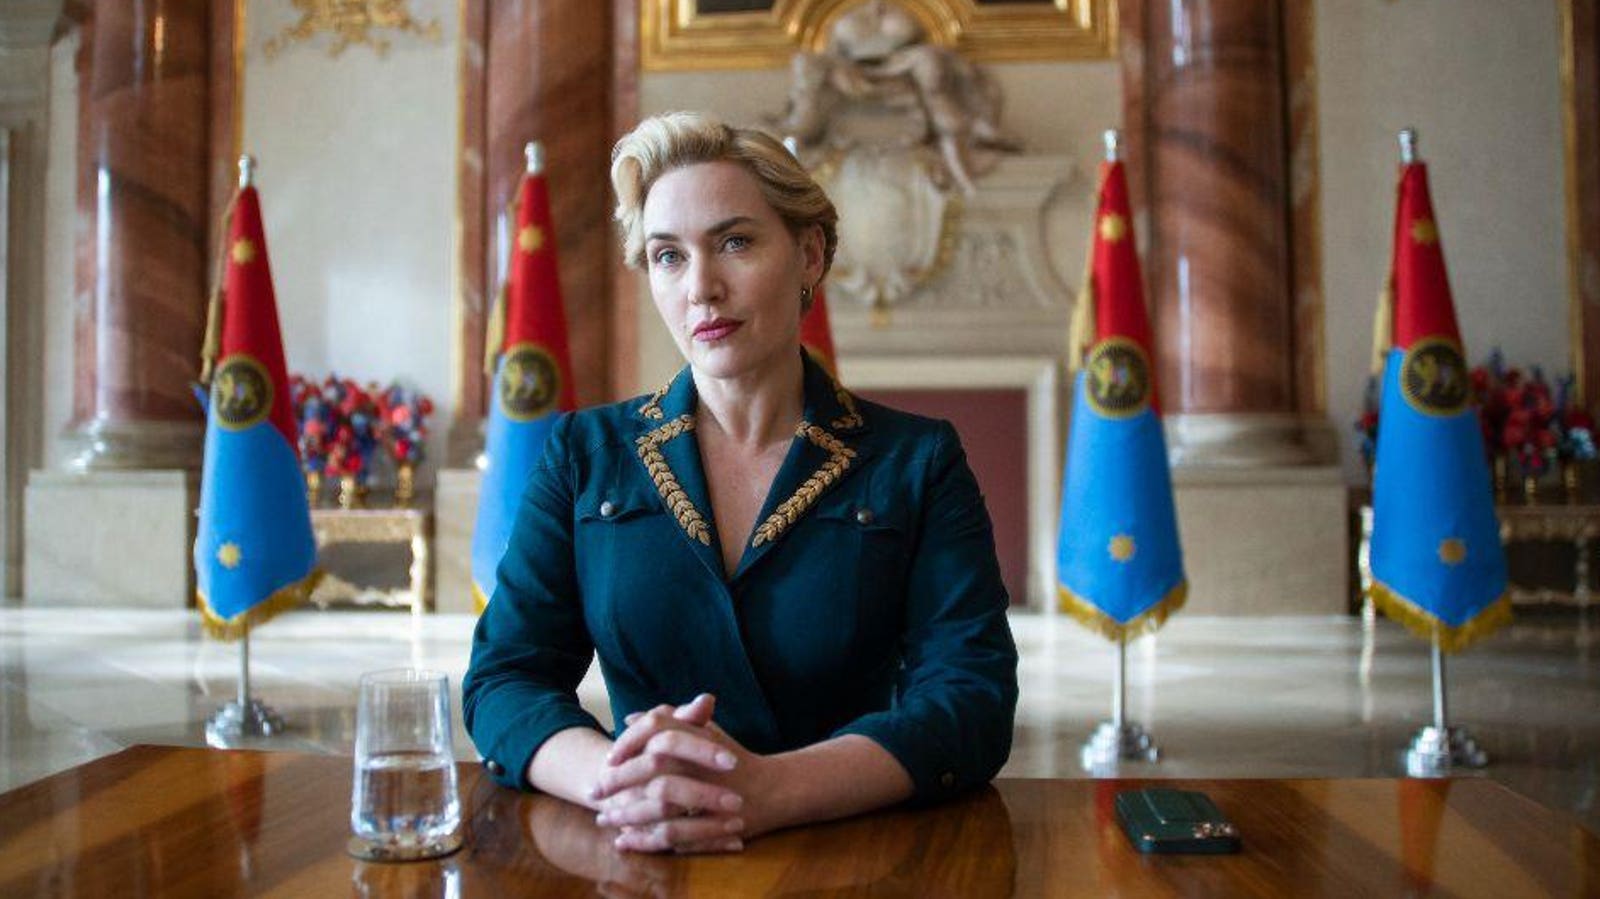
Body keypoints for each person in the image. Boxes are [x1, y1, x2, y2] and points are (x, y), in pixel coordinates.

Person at [463, 110, 1018, 854]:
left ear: (809, 255)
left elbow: (972, 699)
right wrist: (621, 781)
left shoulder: (916, 460)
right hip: (640, 845)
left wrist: (772, 790)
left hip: (850, 853)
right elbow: (504, 679)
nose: (701, 287)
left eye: (735, 242)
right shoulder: (583, 454)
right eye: (668, 256)